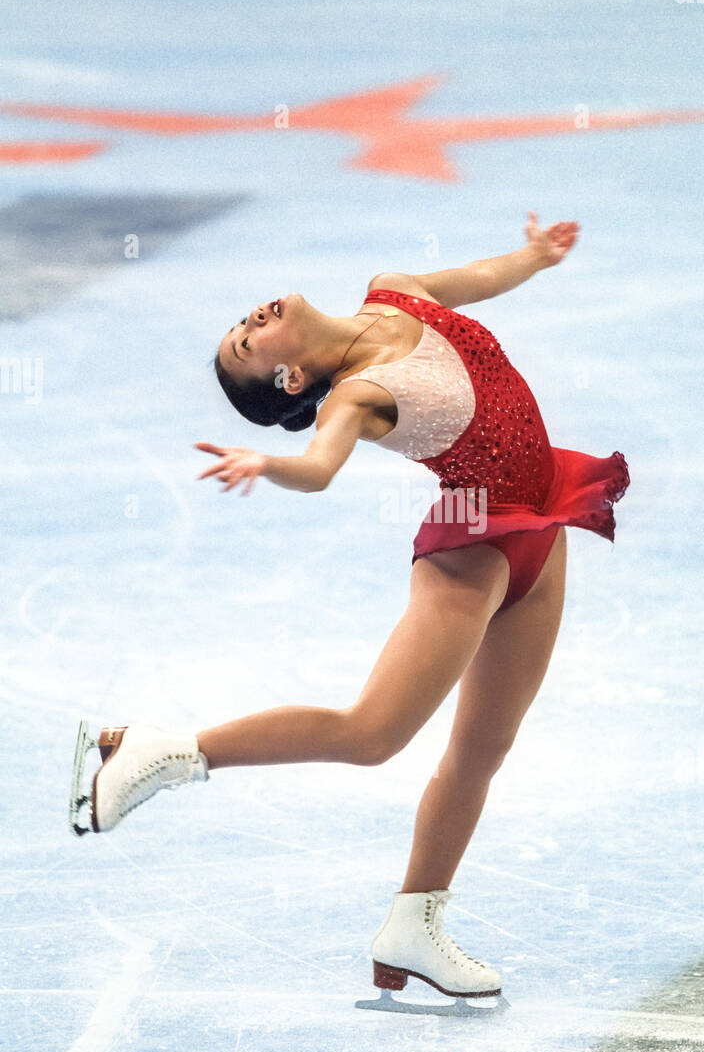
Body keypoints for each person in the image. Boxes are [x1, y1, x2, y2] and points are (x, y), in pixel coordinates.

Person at [70, 211, 629, 1006]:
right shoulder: (359, 399)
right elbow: (321, 467)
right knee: (372, 734)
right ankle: (162, 751)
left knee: (482, 751)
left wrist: (534, 258)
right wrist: (270, 462)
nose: (251, 319)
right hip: (475, 545)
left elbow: (475, 281)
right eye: (245, 344)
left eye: (242, 323)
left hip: (544, 525)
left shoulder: (394, 291)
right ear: (292, 380)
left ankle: (415, 924)